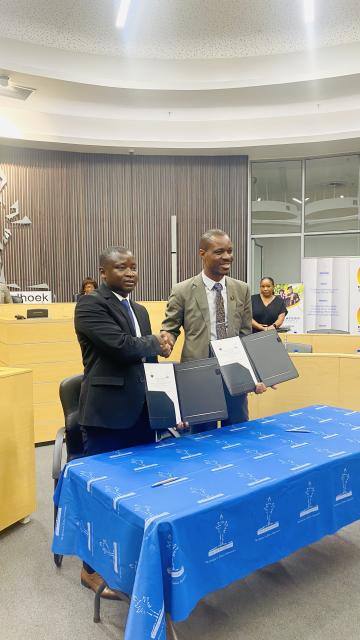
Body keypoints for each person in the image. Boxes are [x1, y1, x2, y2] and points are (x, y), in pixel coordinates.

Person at [74, 245, 172, 598]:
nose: (130, 273)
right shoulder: (90, 304)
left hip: (143, 413)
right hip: (106, 415)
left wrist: (165, 402)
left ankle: (129, 557)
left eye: (134, 267)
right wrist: (156, 342)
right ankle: (91, 569)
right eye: (121, 267)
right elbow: (120, 346)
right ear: (104, 272)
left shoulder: (142, 310)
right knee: (105, 494)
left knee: (141, 490)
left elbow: (147, 361)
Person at [161, 229, 266, 431]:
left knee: (238, 432)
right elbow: (170, 327)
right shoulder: (182, 290)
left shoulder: (241, 289)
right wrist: (167, 340)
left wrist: (255, 373)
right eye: (219, 252)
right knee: (201, 437)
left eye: (230, 251)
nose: (227, 257)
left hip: (235, 372)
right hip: (199, 374)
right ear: (203, 253)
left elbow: (245, 334)